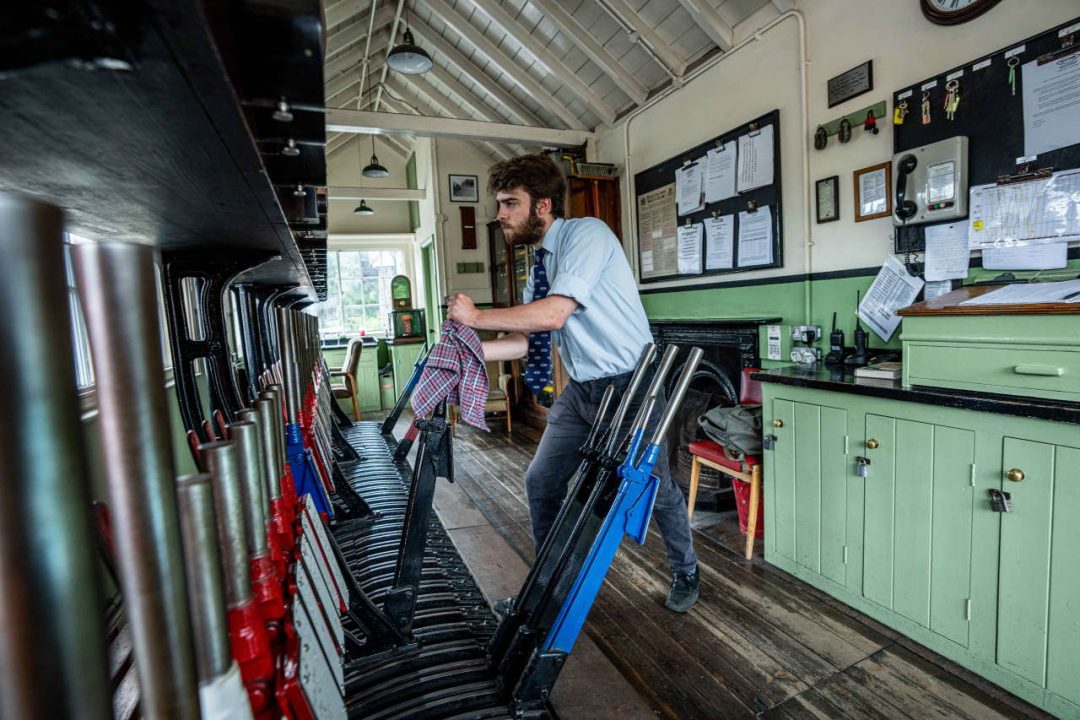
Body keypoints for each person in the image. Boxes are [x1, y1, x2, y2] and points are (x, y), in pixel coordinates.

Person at [447, 154, 699, 613]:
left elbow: (556, 313)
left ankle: (686, 569)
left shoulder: (588, 234)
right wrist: (464, 351)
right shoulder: (539, 265)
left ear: (542, 206)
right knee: (541, 481)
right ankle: (550, 588)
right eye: (500, 204)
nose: (499, 214)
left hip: (632, 385)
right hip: (582, 392)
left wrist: (477, 316)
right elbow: (523, 340)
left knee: (656, 487)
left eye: (509, 204)